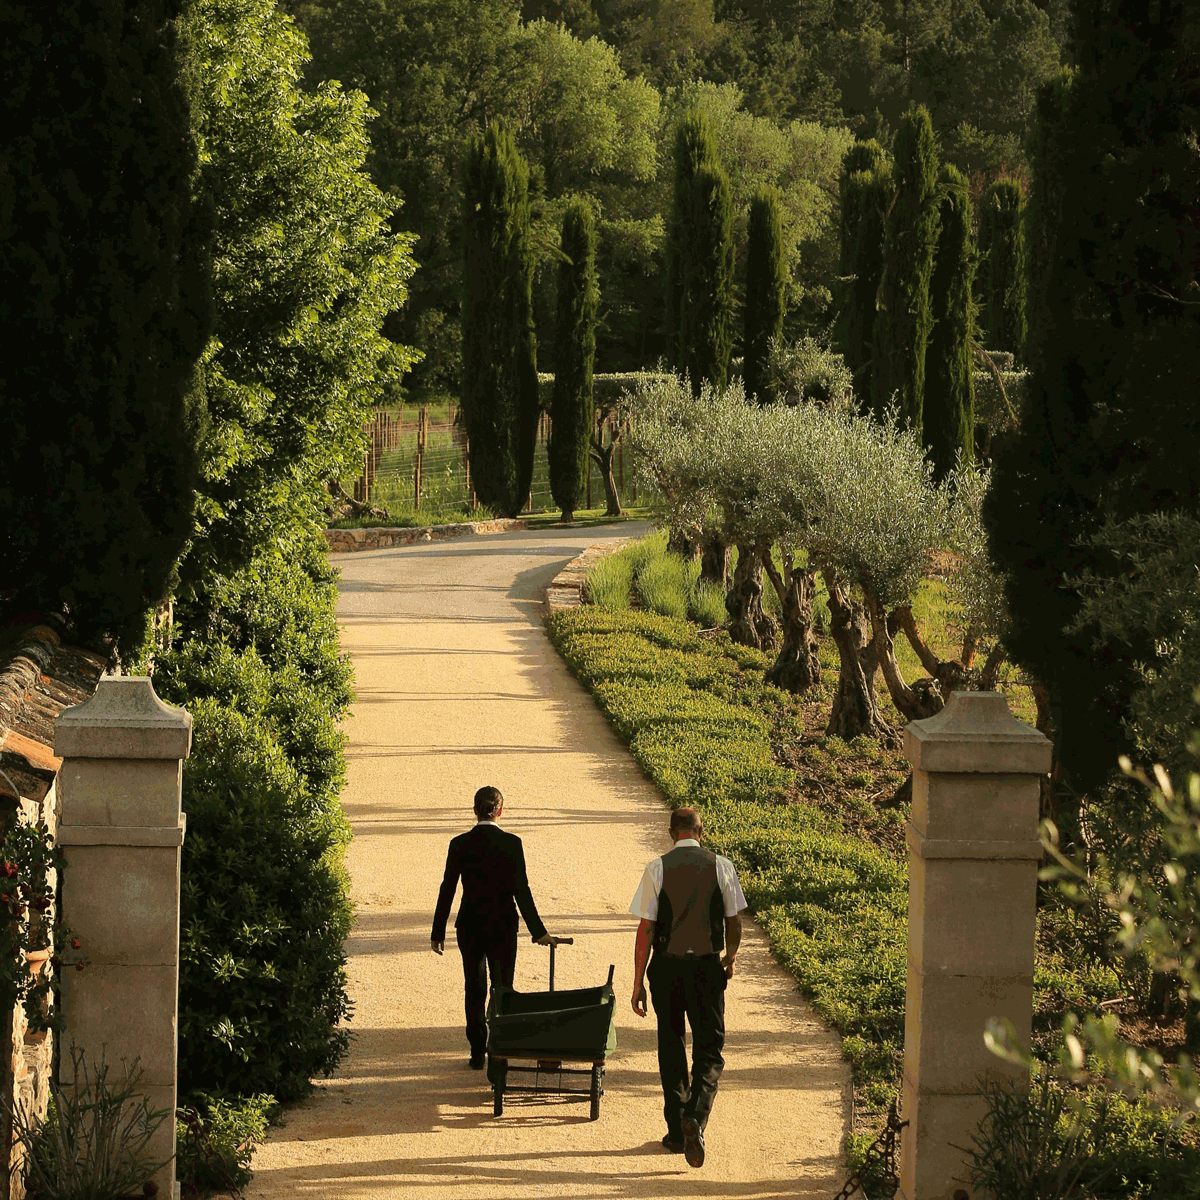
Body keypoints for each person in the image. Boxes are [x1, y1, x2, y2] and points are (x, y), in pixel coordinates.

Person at [629, 806, 746, 1169]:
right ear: (701, 831)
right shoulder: (721, 865)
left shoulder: (657, 867)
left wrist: (637, 982)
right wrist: (730, 957)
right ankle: (697, 1115)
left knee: (671, 1044)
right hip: (706, 968)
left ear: (670, 833)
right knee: (710, 1049)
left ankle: (678, 1133)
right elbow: (734, 920)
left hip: (665, 967)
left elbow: (645, 929)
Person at [431, 785, 558, 1068]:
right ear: (500, 810)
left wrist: (437, 931)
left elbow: (447, 888)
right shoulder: (512, 844)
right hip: (502, 925)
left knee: (474, 987)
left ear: (475, 810)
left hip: (470, 925)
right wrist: (539, 932)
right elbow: (521, 890)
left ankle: (477, 1051)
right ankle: (499, 1047)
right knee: (503, 987)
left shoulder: (460, 843)